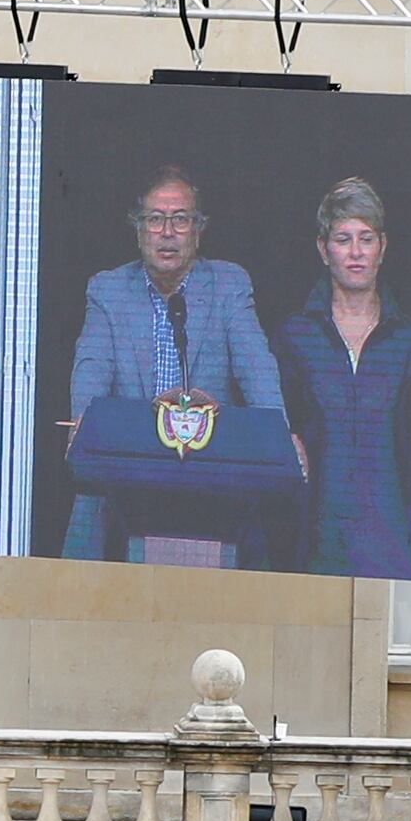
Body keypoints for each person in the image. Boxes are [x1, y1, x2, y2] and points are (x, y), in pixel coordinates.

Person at [61, 162, 283, 563]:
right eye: (155, 219)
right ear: (138, 227)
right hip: (125, 482)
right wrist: (83, 425)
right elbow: (91, 367)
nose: (167, 233)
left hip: (210, 484)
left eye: (180, 220)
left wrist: (277, 433)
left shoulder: (229, 285)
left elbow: (257, 366)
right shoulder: (108, 290)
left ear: (199, 229)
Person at [274, 179, 411, 582]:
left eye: (366, 239)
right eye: (343, 239)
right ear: (323, 250)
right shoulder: (295, 334)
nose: (355, 253)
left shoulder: (409, 339)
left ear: (382, 247)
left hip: (392, 545)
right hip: (315, 542)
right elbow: (275, 428)